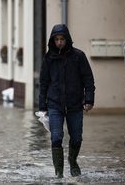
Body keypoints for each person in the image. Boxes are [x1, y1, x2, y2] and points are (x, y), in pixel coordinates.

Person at [38, 24, 95, 178]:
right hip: (54, 105)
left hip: (75, 104)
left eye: (62, 39)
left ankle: (73, 161)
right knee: (56, 137)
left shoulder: (78, 56)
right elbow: (43, 83)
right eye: (56, 39)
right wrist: (42, 106)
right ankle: (59, 173)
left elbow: (88, 79)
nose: (59, 42)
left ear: (67, 39)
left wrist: (89, 99)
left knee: (76, 137)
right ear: (53, 41)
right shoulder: (48, 58)